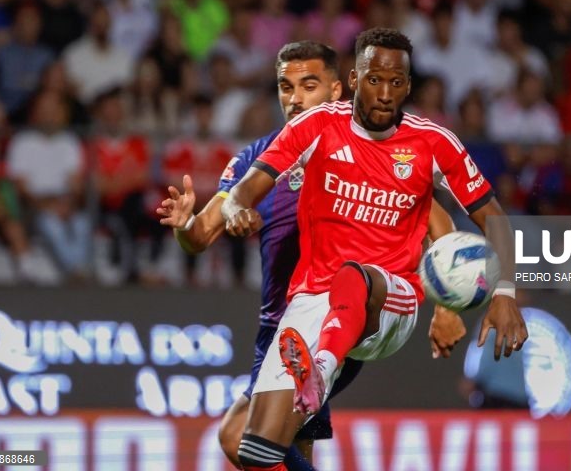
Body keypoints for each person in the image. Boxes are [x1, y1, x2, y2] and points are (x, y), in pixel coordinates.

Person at [218, 28, 528, 471]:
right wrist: (235, 210)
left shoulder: (432, 142)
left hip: (388, 300)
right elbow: (245, 190)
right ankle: (314, 372)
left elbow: (493, 217)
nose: (385, 94)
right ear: (355, 77)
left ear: (408, 85)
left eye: (396, 83)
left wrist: (503, 294)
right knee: (256, 451)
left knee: (356, 275)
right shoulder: (316, 127)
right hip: (312, 301)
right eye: (374, 79)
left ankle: (319, 370)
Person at [158, 40, 465, 470]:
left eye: (309, 85)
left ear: (338, 91)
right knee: (292, 451)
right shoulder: (256, 157)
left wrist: (447, 304)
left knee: (238, 437)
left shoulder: (360, 145)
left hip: (333, 317)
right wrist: (185, 227)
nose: (295, 98)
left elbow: (435, 222)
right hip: (276, 329)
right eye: (286, 87)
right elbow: (201, 235)